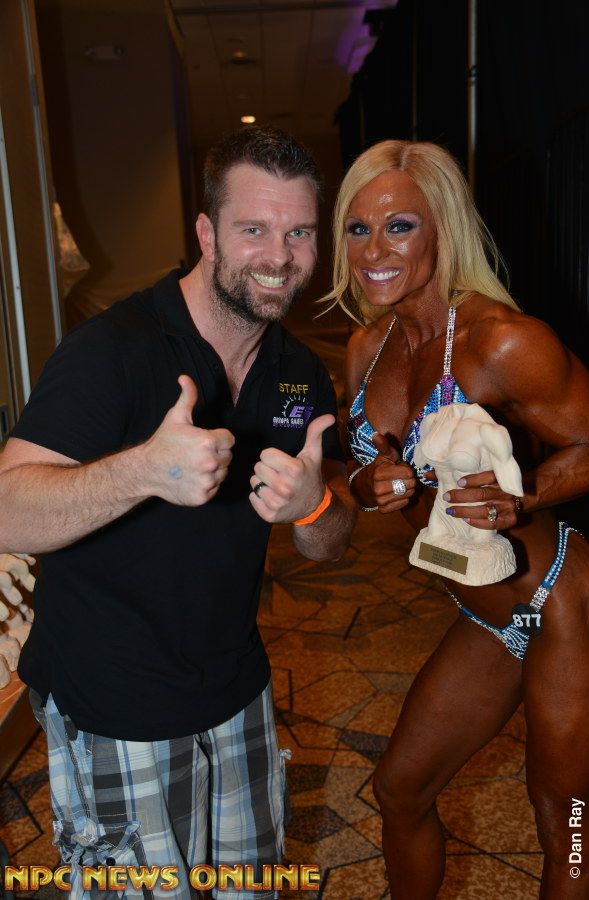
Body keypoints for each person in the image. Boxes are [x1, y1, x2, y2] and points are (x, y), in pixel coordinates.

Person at [0, 125, 355, 899]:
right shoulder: (114, 350)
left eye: (298, 232)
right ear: (206, 232)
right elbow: (6, 511)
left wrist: (316, 505)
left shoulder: (299, 375)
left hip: (236, 689)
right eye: (253, 229)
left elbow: (330, 542)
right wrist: (141, 472)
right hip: (112, 701)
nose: (278, 255)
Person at [322, 138, 589, 898]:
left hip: (563, 605)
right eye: (357, 229)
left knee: (567, 820)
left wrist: (525, 495)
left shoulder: (502, 340)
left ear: (443, 228)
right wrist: (366, 485)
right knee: (400, 790)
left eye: (399, 227)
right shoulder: (366, 347)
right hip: (486, 617)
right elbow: (358, 475)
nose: (373, 251)